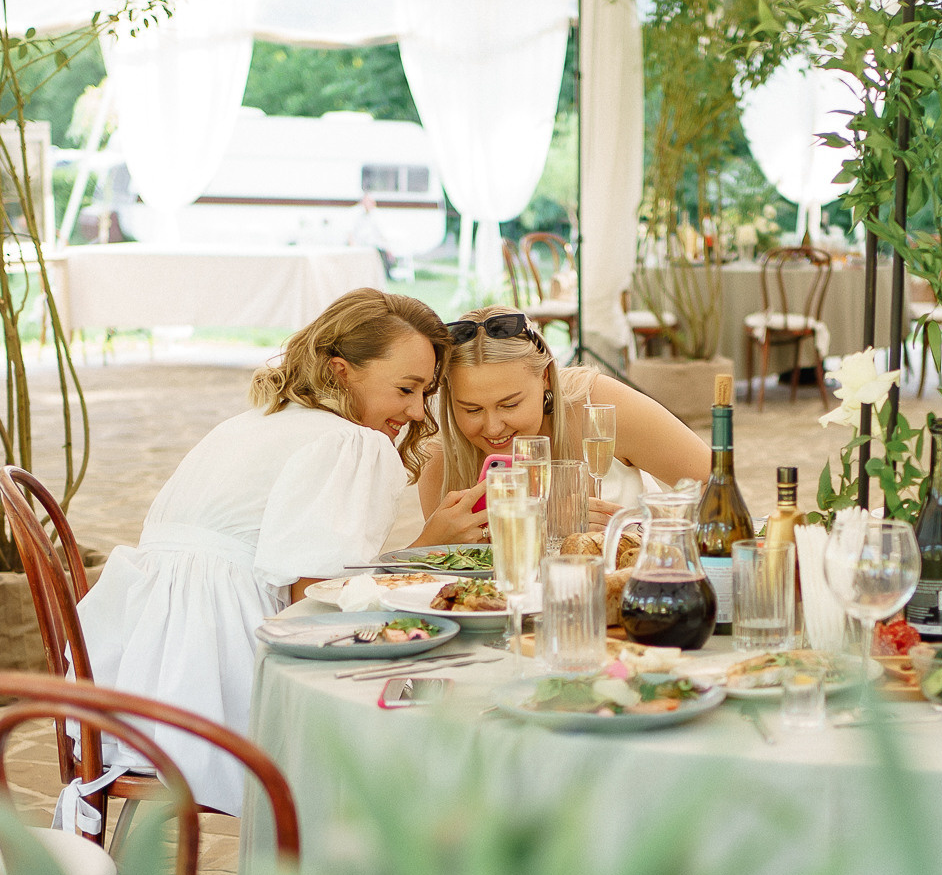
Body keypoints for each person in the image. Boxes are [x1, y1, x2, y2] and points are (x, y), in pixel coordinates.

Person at [77, 289, 480, 810]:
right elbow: (317, 604)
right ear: (340, 372)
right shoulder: (348, 441)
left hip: (135, 672)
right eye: (406, 388)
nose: (415, 409)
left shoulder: (254, 421)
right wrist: (428, 547)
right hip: (221, 675)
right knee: (419, 716)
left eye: (425, 392)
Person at [420, 306, 708, 521]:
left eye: (510, 405)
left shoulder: (596, 405)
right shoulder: (442, 460)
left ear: (545, 377)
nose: (493, 428)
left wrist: (640, 530)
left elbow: (715, 482)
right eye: (471, 409)